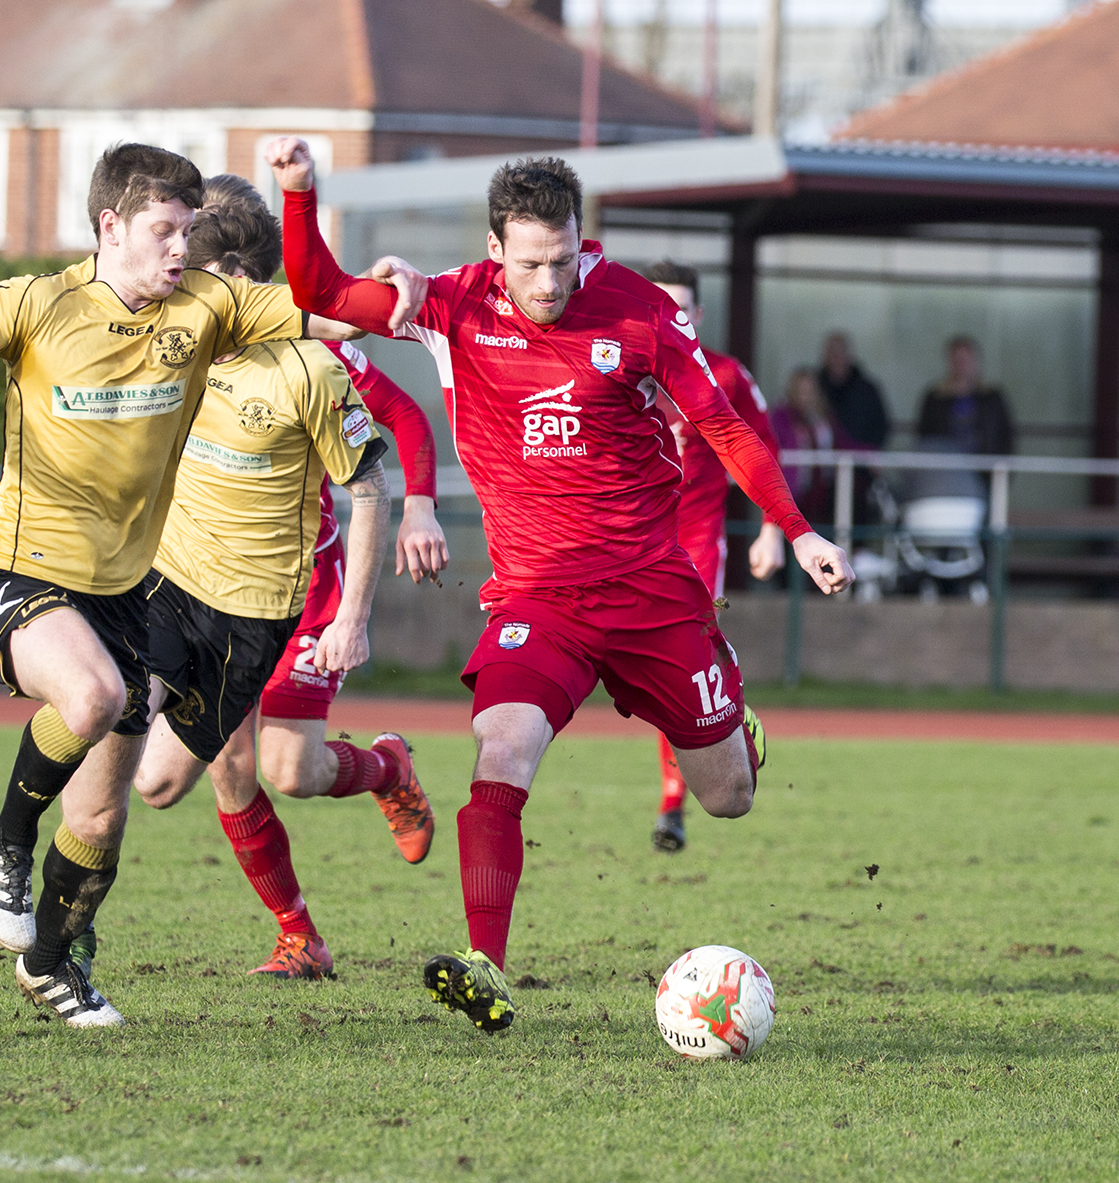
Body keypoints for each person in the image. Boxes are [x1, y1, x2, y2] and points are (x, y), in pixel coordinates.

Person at [266, 138, 851, 1032]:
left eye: (567, 257)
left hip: (653, 592)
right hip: (537, 597)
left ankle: (731, 707)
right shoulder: (452, 303)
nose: (551, 281)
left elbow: (725, 429)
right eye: (532, 262)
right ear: (496, 249)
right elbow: (319, 293)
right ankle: (486, 967)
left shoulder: (642, 312)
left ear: (585, 240)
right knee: (499, 755)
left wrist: (798, 528)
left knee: (727, 795)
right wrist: (301, 189)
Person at [0, 143, 398, 1027]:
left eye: (188, 234)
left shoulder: (207, 307)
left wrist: (399, 288)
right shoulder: (36, 303)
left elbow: (336, 315)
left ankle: (52, 965)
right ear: (109, 226)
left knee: (108, 811)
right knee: (91, 693)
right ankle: (3, 845)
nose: (177, 252)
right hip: (24, 570)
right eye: (163, 232)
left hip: (131, 597)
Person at [129, 176, 442, 982]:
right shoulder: (169, 342)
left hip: (305, 590)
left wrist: (420, 511)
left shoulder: (313, 358)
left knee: (292, 771)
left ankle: (387, 768)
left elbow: (400, 424)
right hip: (207, 591)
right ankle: (298, 935)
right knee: (170, 780)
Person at [642, 261, 784, 856]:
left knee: (682, 668)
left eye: (682, 307)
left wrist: (774, 529)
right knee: (647, 676)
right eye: (661, 307)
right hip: (630, 546)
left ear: (697, 314)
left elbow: (761, 449)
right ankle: (727, 710)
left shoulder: (724, 374)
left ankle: (673, 803)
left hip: (696, 544)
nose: (672, 317)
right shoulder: (622, 364)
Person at [769, 367, 853, 523]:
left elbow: (842, 443)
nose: (806, 396)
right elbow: (771, 444)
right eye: (801, 391)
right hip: (792, 491)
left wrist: (871, 454)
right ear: (792, 392)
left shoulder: (824, 416)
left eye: (810, 391)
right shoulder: (781, 416)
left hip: (823, 491)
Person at [917, 334, 1015, 456]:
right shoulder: (935, 398)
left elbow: (1005, 435)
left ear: (975, 361)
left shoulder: (991, 397)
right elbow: (925, 438)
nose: (962, 365)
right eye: (957, 360)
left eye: (965, 360)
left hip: (983, 467)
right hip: (946, 467)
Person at [818, 332, 890, 449]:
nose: (836, 358)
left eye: (840, 352)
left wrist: (870, 452)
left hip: (861, 463)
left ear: (849, 355)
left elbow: (880, 426)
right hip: (822, 463)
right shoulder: (814, 389)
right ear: (825, 355)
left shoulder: (867, 390)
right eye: (832, 352)